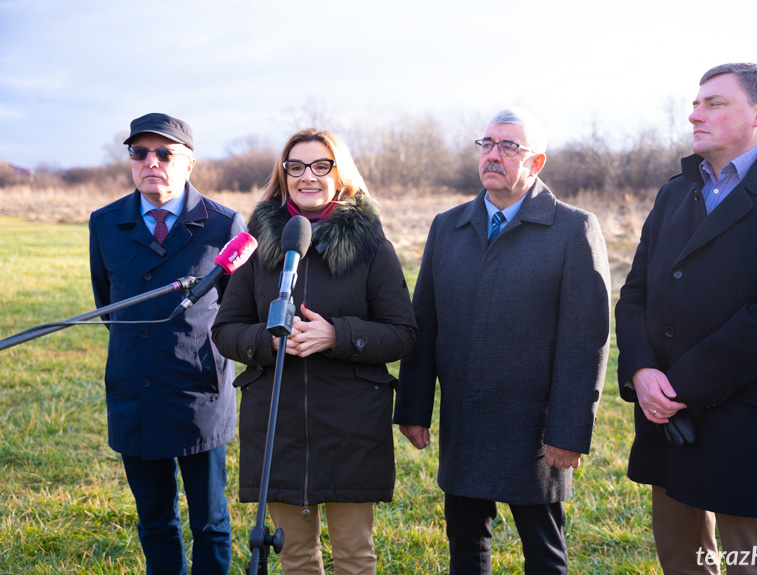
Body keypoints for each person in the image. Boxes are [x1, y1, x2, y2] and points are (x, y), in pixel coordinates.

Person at [615, 62, 757, 574]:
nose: (695, 114)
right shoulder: (675, 191)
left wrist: (676, 387)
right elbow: (635, 296)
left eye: (713, 103)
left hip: (742, 415)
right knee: (682, 562)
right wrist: (641, 371)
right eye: (696, 103)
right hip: (663, 416)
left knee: (749, 566)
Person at [393, 107, 611, 574]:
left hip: (534, 429)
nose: (494, 155)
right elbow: (424, 324)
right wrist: (413, 408)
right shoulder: (447, 227)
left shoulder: (573, 229)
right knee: (466, 549)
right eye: (487, 144)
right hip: (465, 419)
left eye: (509, 147)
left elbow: (586, 340)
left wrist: (569, 432)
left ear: (536, 163)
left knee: (544, 554)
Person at [211, 128, 417, 575]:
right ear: (282, 175)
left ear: (339, 175)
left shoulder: (372, 246)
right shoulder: (257, 244)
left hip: (352, 426)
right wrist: (267, 342)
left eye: (321, 166)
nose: (308, 176)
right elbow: (225, 330)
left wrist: (336, 336)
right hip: (276, 425)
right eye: (296, 167)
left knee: (354, 556)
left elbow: (402, 333)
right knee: (296, 557)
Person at [89, 112, 246, 574]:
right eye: (139, 153)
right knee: (155, 521)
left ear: (189, 164)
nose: (150, 162)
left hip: (197, 393)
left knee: (211, 523)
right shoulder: (104, 223)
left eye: (164, 153)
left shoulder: (223, 224)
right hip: (133, 393)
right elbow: (107, 305)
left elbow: (234, 311)